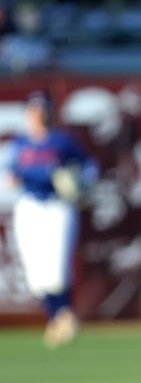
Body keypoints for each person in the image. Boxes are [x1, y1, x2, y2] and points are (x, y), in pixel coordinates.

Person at [8, 91, 98, 347]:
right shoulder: (20, 143)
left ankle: (64, 316)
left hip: (58, 205)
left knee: (56, 269)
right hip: (29, 206)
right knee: (36, 275)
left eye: (44, 108)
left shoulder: (62, 141)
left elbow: (90, 167)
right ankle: (58, 320)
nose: (40, 114)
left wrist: (81, 184)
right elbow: (11, 175)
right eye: (35, 109)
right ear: (27, 113)